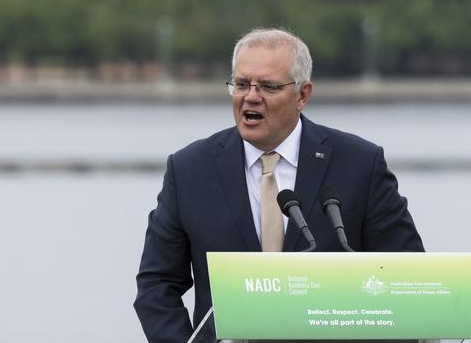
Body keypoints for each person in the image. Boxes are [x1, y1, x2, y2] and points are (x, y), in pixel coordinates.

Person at [134, 27, 424, 343]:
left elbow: (406, 276)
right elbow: (157, 284)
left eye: (269, 86)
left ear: (302, 95)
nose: (251, 97)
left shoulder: (360, 164)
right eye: (242, 84)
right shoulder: (189, 169)